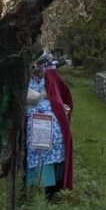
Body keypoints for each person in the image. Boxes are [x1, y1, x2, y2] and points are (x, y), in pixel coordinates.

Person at [25, 53, 74, 196]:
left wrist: (62, 107)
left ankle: (50, 189)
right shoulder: (23, 76)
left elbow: (63, 93)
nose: (39, 69)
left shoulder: (51, 75)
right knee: (37, 147)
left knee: (52, 144)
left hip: (50, 120)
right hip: (35, 119)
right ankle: (40, 189)